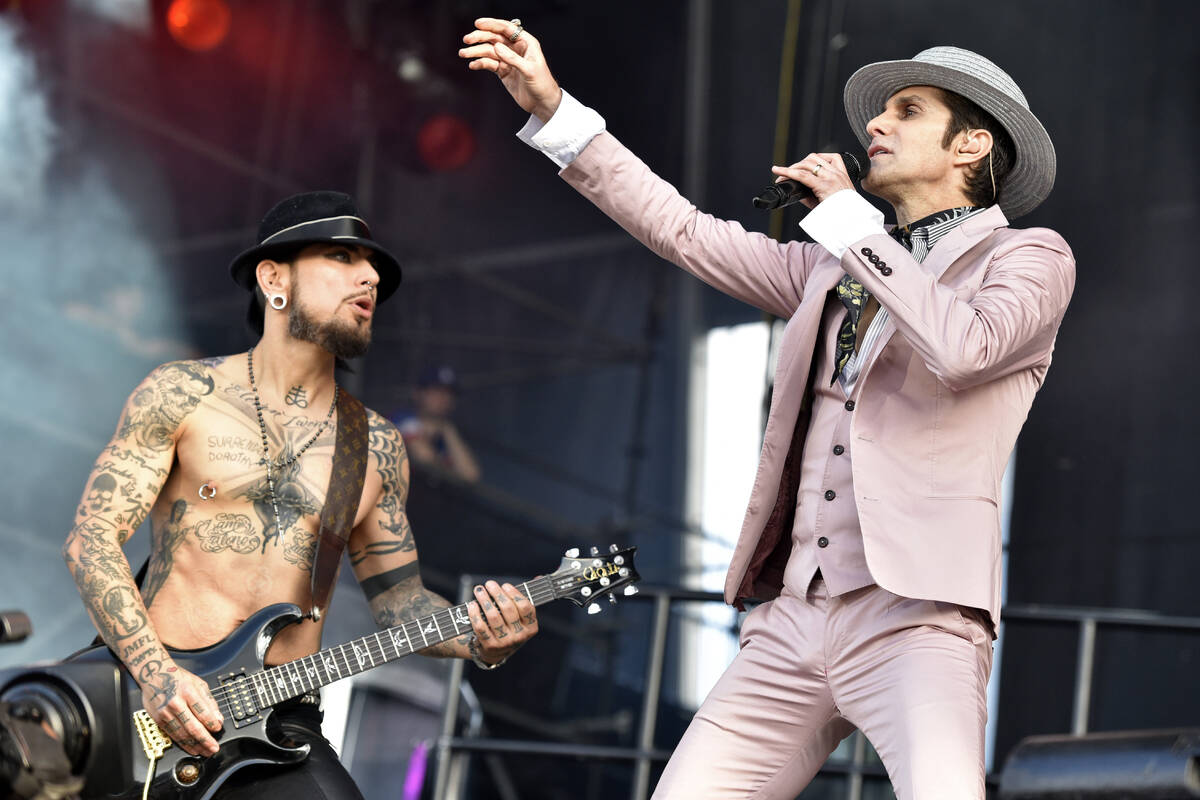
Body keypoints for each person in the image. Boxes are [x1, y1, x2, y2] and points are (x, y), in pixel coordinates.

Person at [460, 19, 1074, 800]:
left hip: (918, 617)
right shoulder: (832, 268)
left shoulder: (1030, 257)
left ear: (971, 147)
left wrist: (851, 223)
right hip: (794, 616)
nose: (876, 125)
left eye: (908, 111)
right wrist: (555, 113)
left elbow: (964, 349)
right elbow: (684, 232)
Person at [61, 190, 539, 798]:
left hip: (281, 725)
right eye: (341, 257)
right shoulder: (183, 391)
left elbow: (400, 605)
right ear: (272, 278)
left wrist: (482, 638)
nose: (369, 277)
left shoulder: (376, 448)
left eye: (373, 271)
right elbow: (91, 542)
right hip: (149, 701)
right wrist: (157, 676)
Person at [393, 364, 482, 482]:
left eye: (449, 394)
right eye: (435, 392)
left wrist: (448, 430)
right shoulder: (403, 419)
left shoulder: (445, 434)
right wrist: (450, 471)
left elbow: (471, 475)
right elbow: (424, 458)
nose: (443, 399)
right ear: (418, 394)